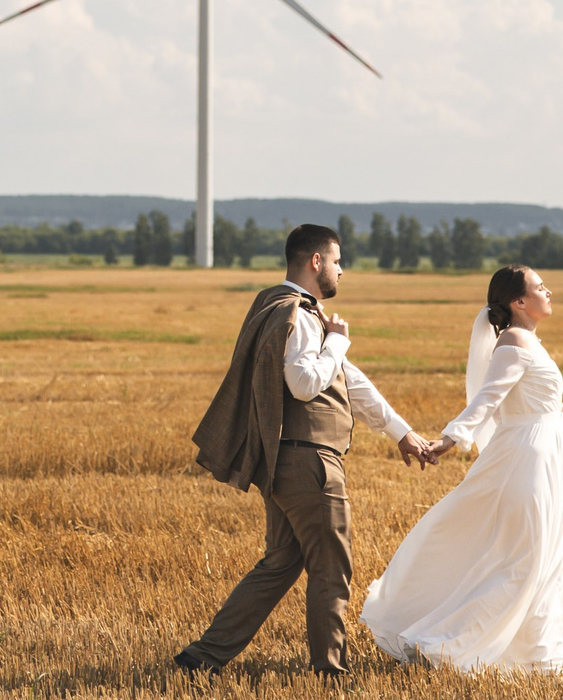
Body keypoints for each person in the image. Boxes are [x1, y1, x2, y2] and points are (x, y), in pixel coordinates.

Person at [177, 223, 437, 677]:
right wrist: (337, 340)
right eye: (337, 261)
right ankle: (330, 672)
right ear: (316, 262)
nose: (342, 270)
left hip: (285, 463)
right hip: (311, 462)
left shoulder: (277, 307)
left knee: (280, 564)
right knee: (332, 569)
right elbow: (304, 384)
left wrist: (400, 431)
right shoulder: (298, 314)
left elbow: (348, 380)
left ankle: (202, 657)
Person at [359, 263, 563, 674]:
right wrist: (449, 440)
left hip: (541, 453)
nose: (548, 292)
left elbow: (524, 397)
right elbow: (488, 400)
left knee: (538, 560)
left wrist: (555, 409)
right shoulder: (515, 340)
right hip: (528, 462)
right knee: (523, 562)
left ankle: (528, 658)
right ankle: (446, 646)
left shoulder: (527, 339)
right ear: (519, 302)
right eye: (540, 287)